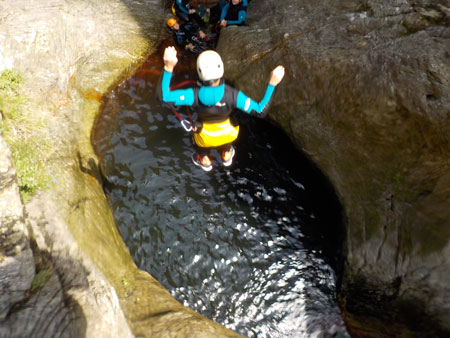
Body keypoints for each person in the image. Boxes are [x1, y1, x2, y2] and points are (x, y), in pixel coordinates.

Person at [158, 46, 285, 171]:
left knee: (197, 140)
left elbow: (164, 96)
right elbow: (260, 111)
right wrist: (272, 84)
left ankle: (204, 160)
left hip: (204, 136)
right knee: (228, 131)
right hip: (227, 134)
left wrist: (168, 67)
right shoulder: (233, 95)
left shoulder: (192, 95)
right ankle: (226, 154)